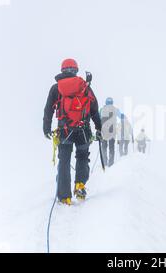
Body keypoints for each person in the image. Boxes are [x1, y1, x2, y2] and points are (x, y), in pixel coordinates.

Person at [43, 58, 102, 206]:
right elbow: (94, 109)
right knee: (82, 157)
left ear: (62, 70)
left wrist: (46, 127)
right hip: (83, 130)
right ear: (76, 70)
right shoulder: (85, 87)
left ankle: (64, 196)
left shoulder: (56, 88)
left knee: (64, 161)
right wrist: (99, 128)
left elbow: (48, 109)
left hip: (64, 131)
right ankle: (80, 185)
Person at [100, 97, 120, 167]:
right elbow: (121, 117)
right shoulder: (115, 109)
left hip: (104, 131)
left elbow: (99, 119)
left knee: (104, 147)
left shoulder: (102, 109)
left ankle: (105, 162)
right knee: (111, 148)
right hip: (112, 131)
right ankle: (111, 163)